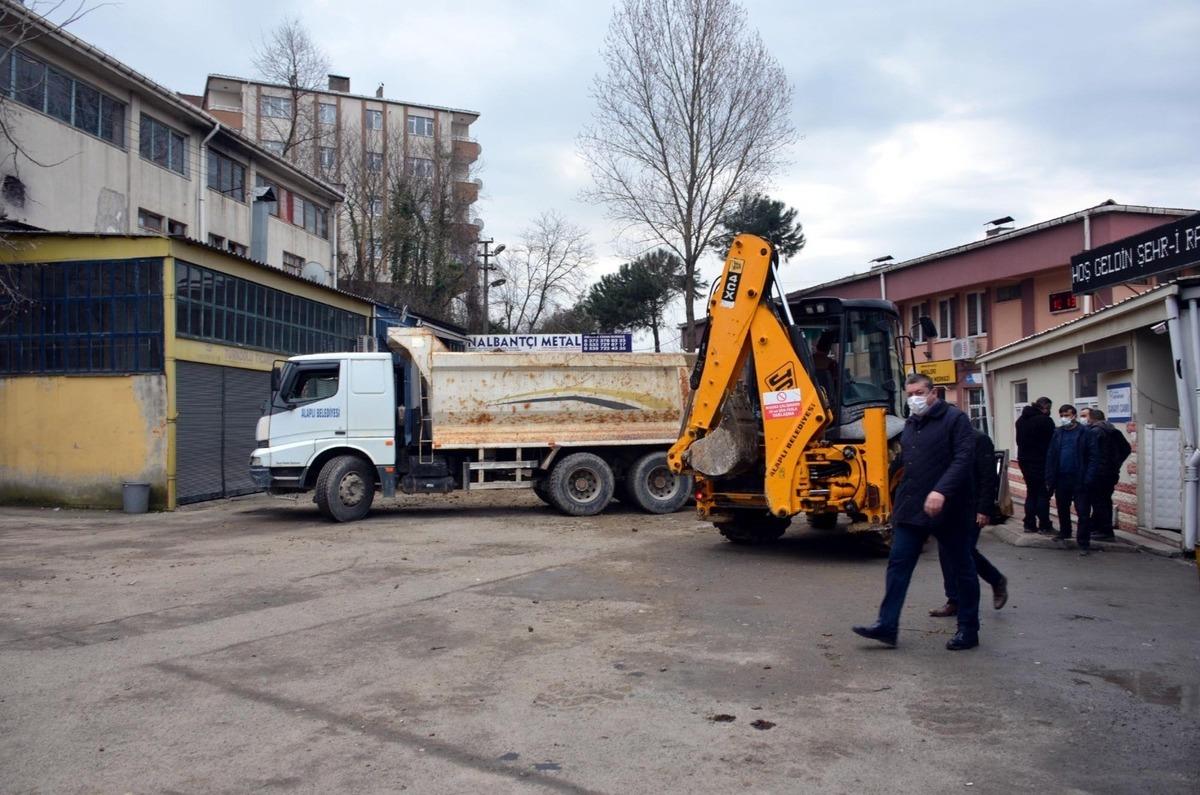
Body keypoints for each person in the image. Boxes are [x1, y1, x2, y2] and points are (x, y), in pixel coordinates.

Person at [853, 373, 979, 651]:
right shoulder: (911, 423)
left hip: (949, 509)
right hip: (912, 510)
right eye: (909, 394)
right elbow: (905, 462)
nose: (914, 399)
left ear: (934, 393)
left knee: (962, 568)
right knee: (897, 566)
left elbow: (963, 459)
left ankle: (969, 629)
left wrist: (941, 491)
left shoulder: (955, 420)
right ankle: (886, 626)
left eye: (919, 393)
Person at [929, 429, 1009, 617]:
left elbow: (988, 478)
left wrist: (984, 509)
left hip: (971, 507)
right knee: (945, 551)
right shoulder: (941, 439)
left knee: (964, 550)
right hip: (947, 506)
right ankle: (953, 599)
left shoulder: (979, 440)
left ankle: (996, 581)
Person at [1045, 404, 1101, 555]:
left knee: (1082, 511)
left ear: (1074, 415)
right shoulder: (1058, 432)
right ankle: (1065, 532)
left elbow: (1093, 456)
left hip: (1079, 478)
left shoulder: (1085, 433)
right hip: (1061, 477)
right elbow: (1051, 455)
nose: (1064, 418)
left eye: (1067, 415)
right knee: (1062, 508)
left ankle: (1083, 542)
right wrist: (1049, 477)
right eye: (1062, 415)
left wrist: (1089, 477)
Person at [1080, 407, 1131, 542]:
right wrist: (1116, 464)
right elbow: (1126, 449)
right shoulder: (1113, 431)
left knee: (1099, 502)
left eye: (1085, 416)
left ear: (1091, 418)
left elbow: (1090, 453)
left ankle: (1105, 530)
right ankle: (1098, 528)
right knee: (1104, 500)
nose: (1084, 419)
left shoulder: (1095, 432)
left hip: (1098, 473)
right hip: (1110, 473)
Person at [1015, 397, 1055, 533]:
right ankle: (1044, 525)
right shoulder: (1045, 421)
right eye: (1049, 409)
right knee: (1043, 493)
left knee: (1031, 492)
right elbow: (1052, 443)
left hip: (1024, 460)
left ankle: (1029, 524)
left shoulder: (1021, 420)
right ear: (1045, 407)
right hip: (1041, 461)